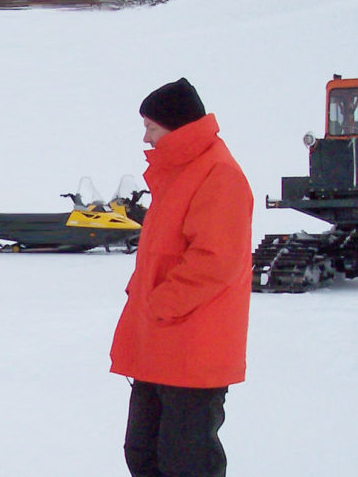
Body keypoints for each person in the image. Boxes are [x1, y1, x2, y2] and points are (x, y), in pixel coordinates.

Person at [110, 78, 254, 477]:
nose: (146, 136)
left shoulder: (218, 174)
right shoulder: (178, 172)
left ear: (177, 127)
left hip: (192, 347)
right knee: (143, 453)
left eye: (151, 127)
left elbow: (215, 261)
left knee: (185, 463)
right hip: (159, 343)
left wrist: (158, 304)